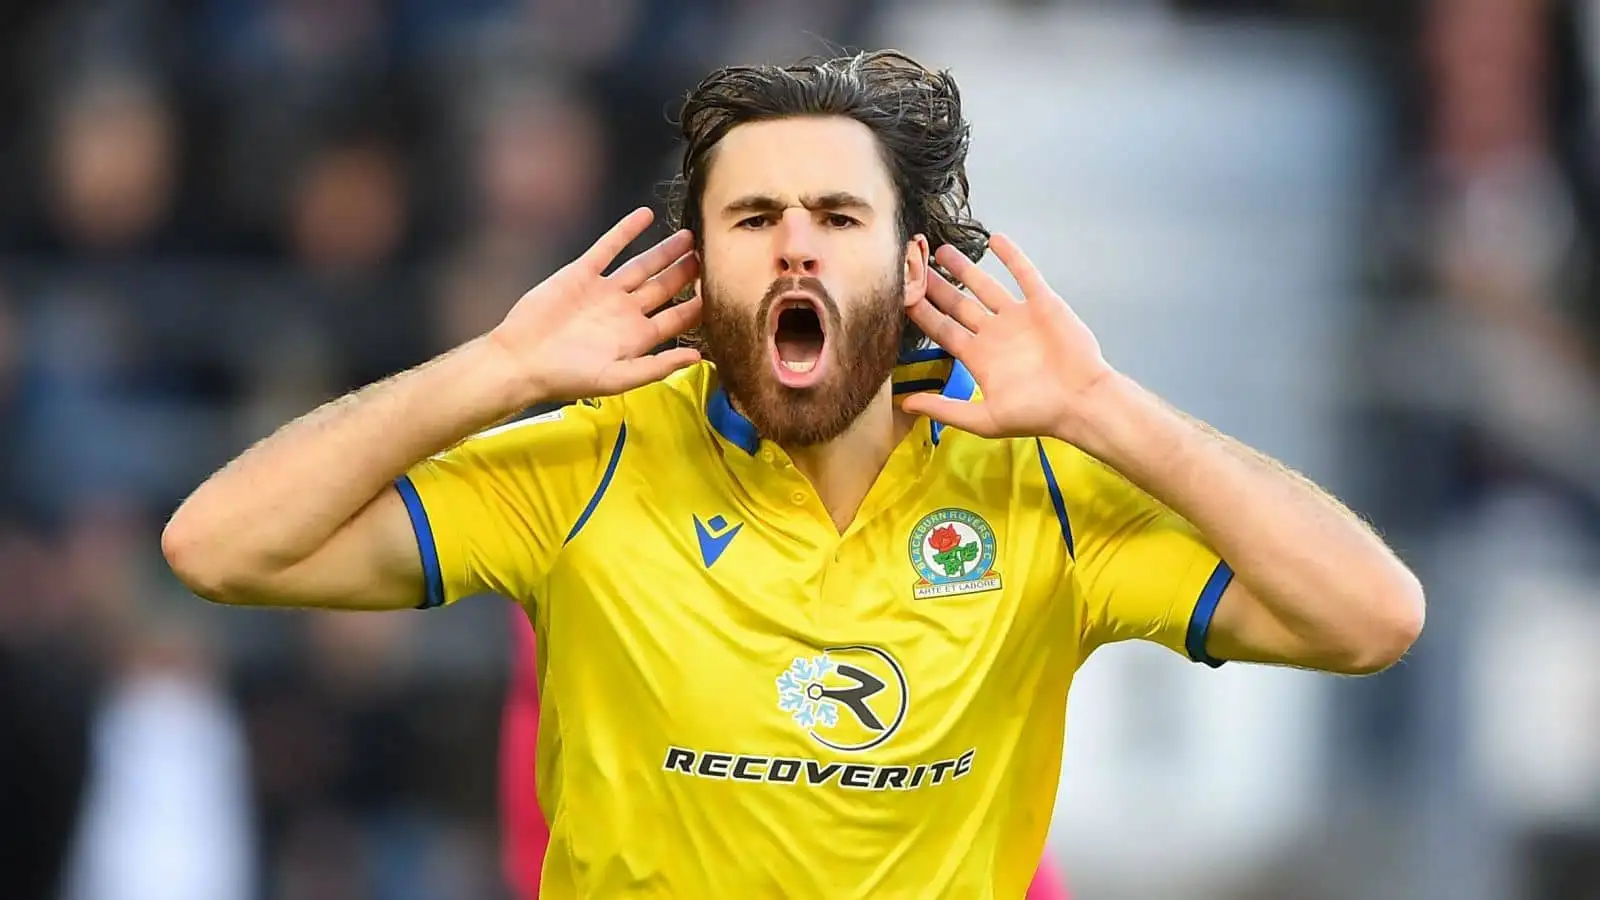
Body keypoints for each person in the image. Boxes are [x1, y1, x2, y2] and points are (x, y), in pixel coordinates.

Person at [163, 49, 1426, 898]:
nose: (794, 252)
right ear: (700, 268)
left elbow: (1371, 618)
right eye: (753, 220)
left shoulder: (1037, 486)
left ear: (915, 262)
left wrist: (1106, 408)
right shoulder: (589, 465)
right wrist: (493, 370)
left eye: (838, 216)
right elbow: (219, 547)